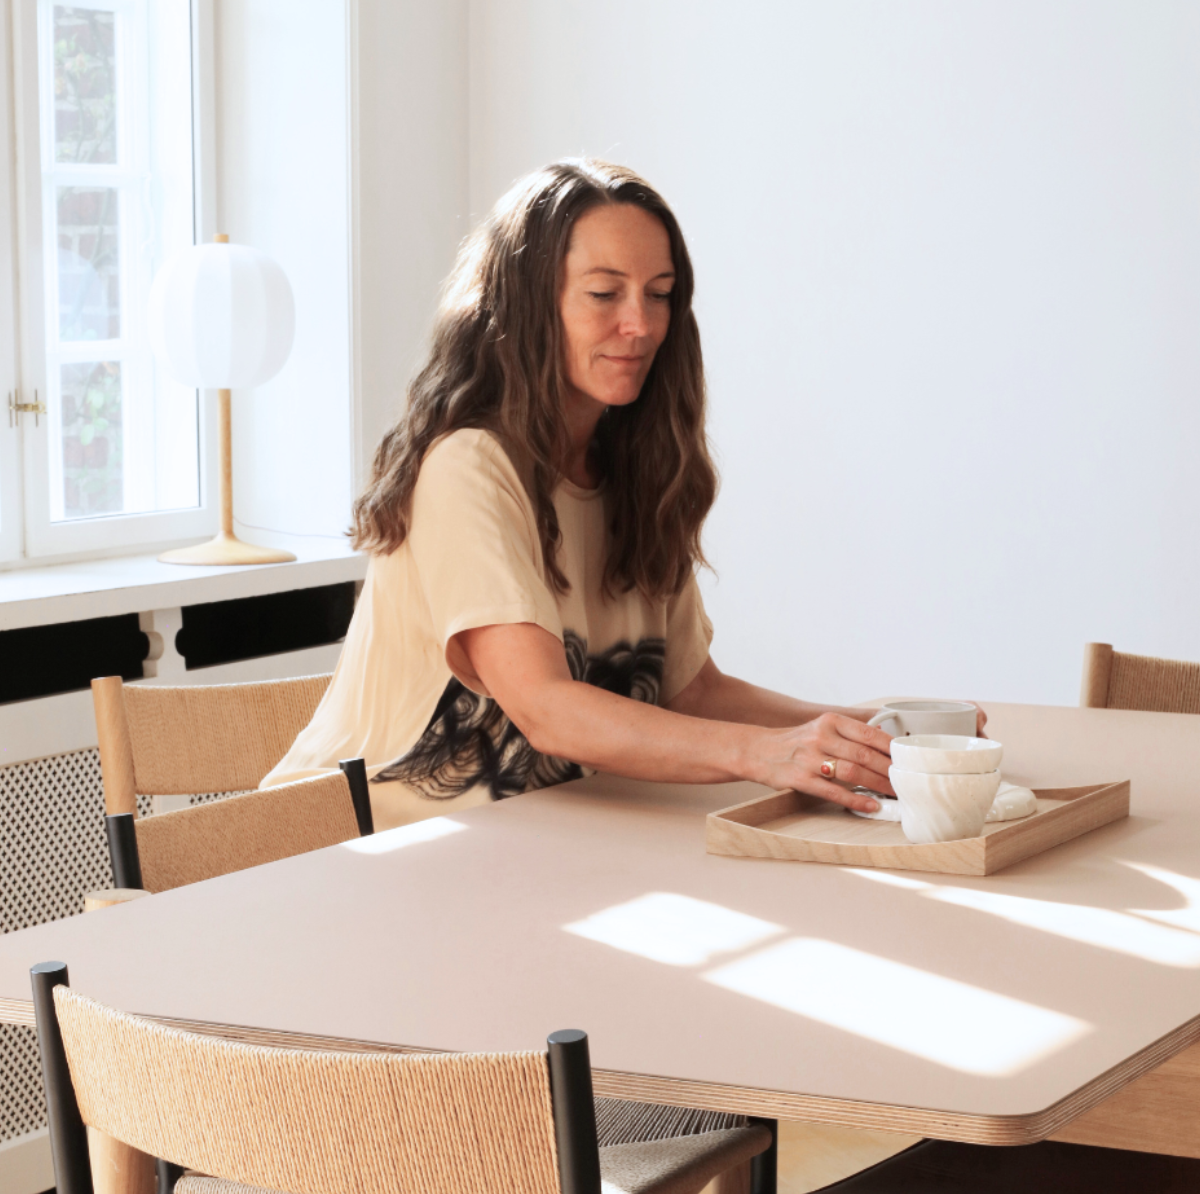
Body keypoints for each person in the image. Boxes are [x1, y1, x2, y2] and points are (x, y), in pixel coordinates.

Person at [264, 159, 980, 831]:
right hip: (349, 851)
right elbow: (546, 708)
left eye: (659, 294)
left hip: (521, 844)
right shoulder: (469, 465)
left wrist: (857, 731)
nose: (640, 325)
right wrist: (770, 754)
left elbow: (691, 692)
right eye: (604, 294)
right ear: (529, 304)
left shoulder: (635, 473)